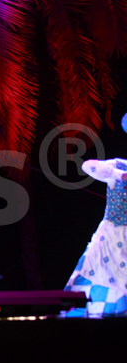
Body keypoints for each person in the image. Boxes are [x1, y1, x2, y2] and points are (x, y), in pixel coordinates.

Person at [64, 113, 127, 317]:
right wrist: (120, 175)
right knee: (91, 282)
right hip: (110, 235)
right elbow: (88, 166)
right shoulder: (120, 165)